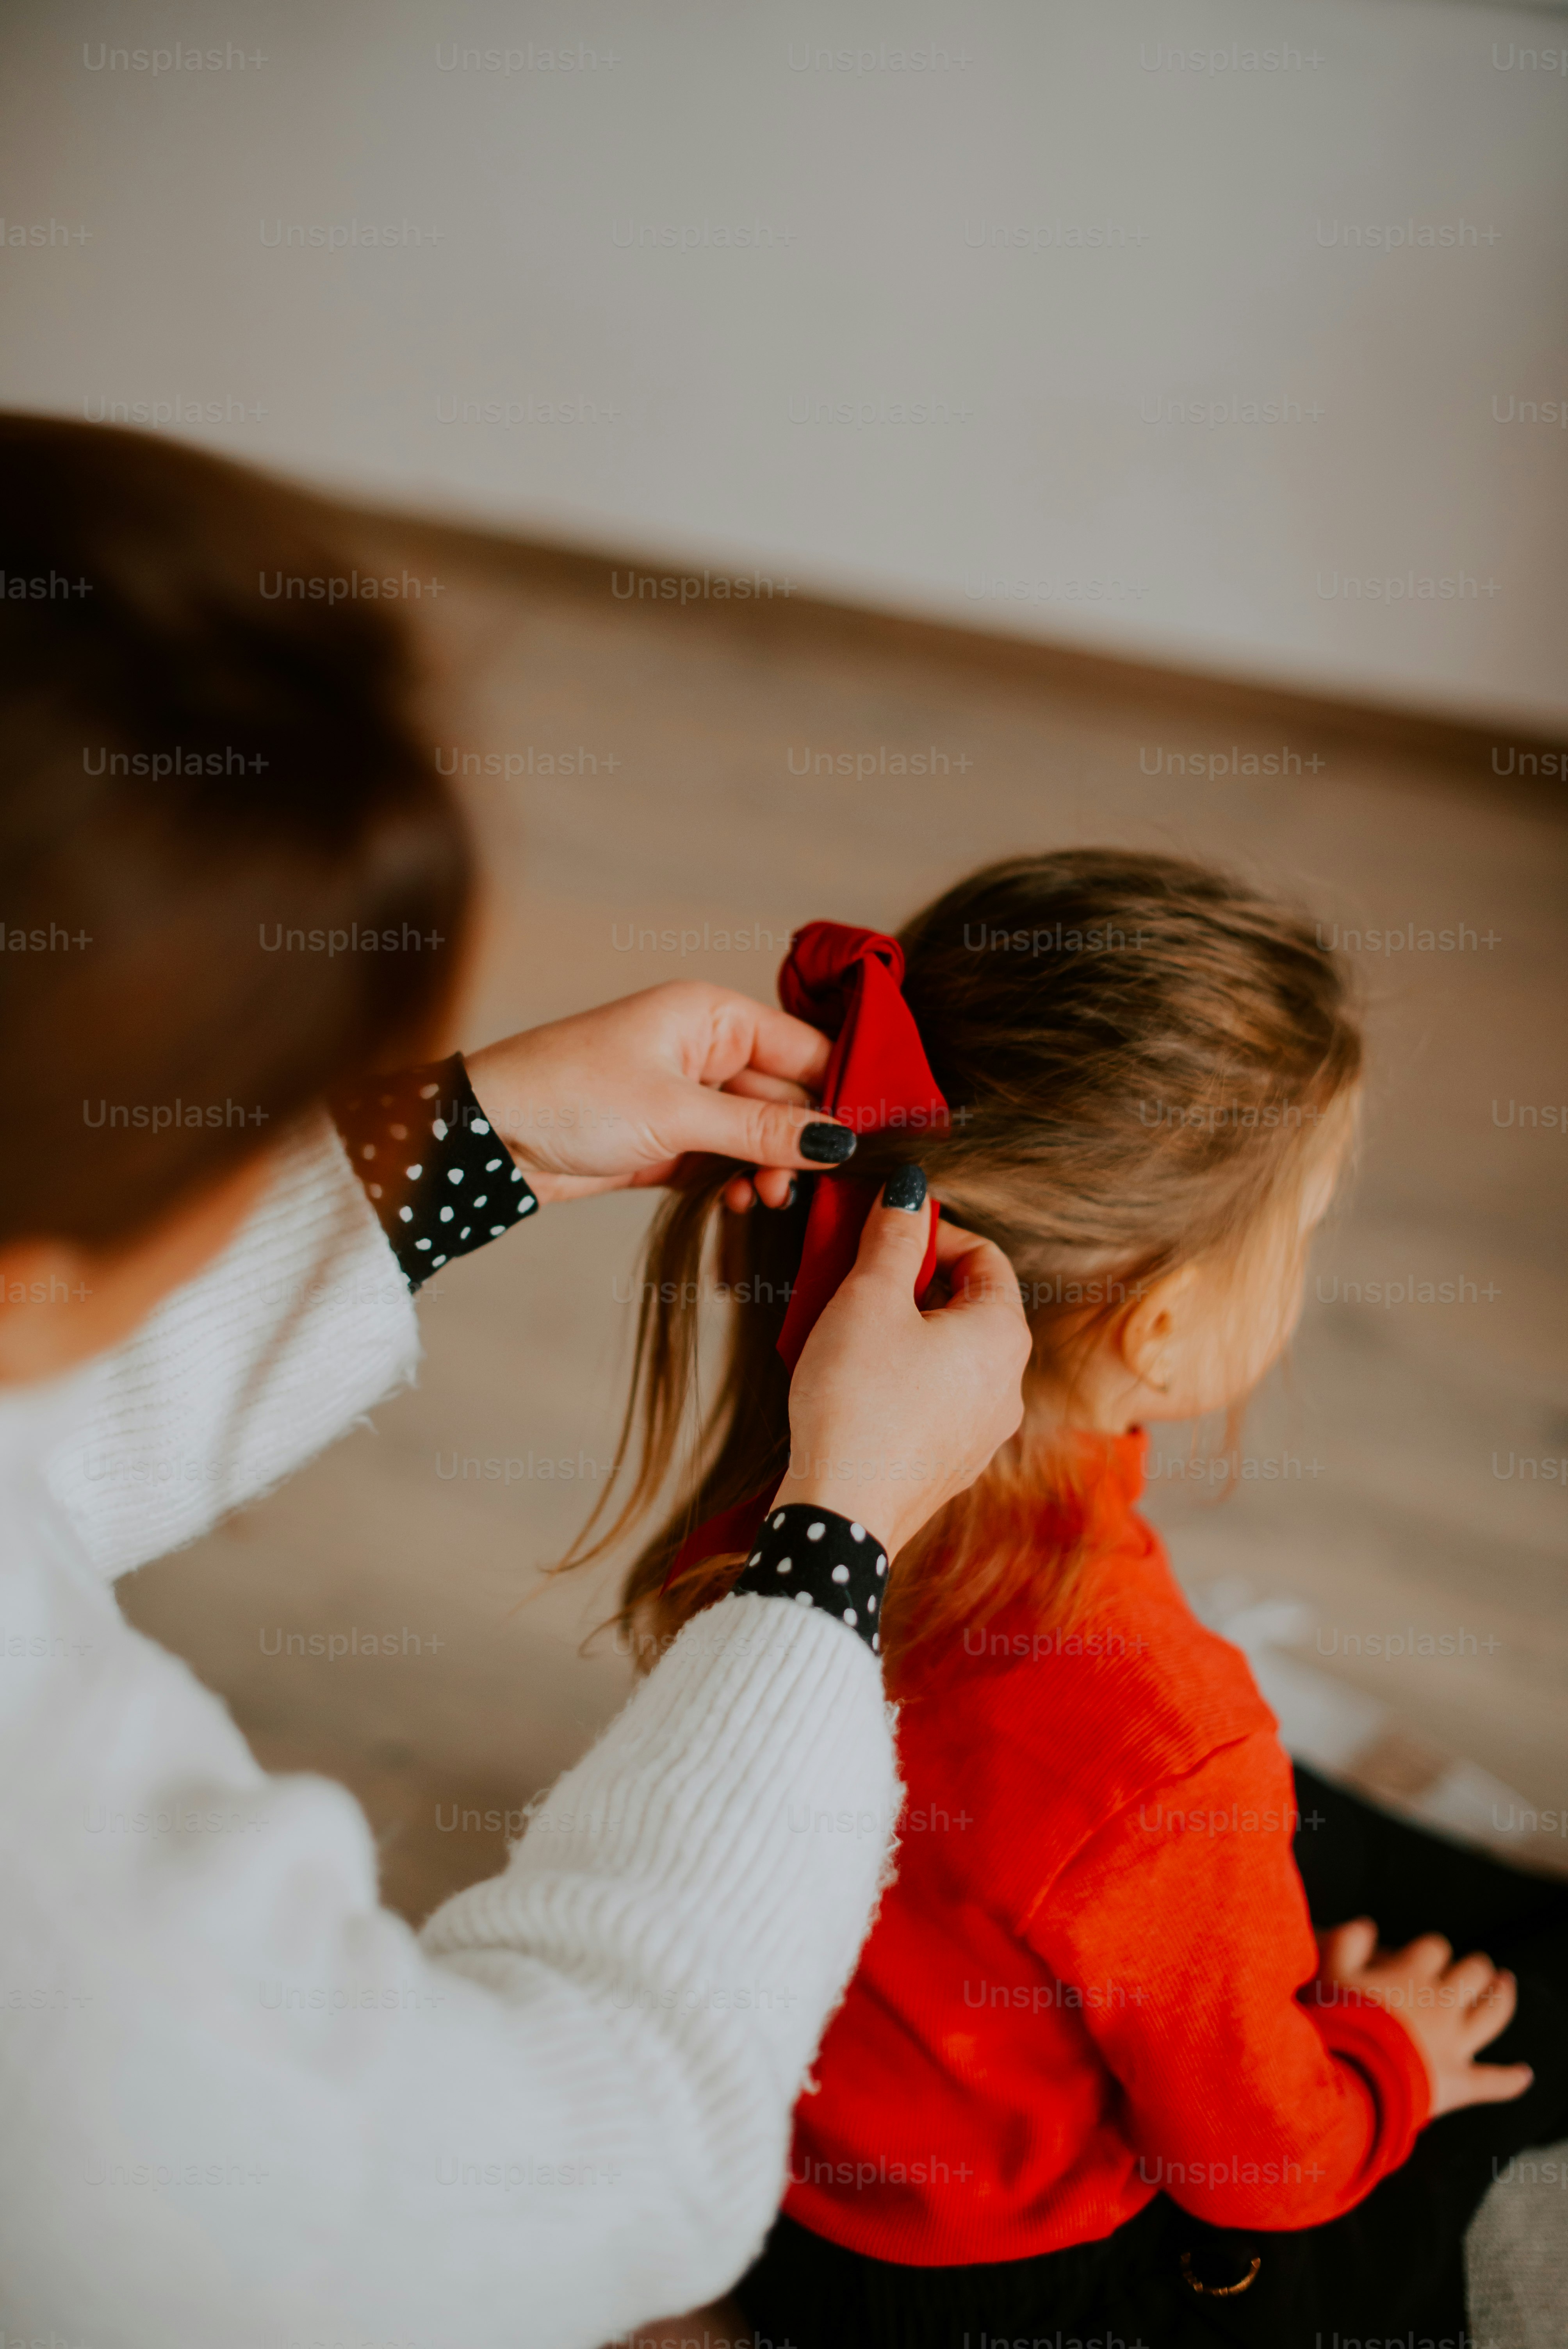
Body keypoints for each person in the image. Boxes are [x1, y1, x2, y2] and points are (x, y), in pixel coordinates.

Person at [0, 415, 1032, 2349]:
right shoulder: (66, 1961)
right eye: (246, 1138)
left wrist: (477, 1141)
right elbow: (591, 2157)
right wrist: (836, 1546)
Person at [600, 853, 1568, 2349]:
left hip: (798, 2206)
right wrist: (1388, 2058)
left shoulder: (780, 1512)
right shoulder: (1166, 1731)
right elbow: (1262, 2170)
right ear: (1162, 1330)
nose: (1304, 1267)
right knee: (1521, 2027)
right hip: (1015, 2295)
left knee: (1294, 1847)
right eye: (1300, 1236)